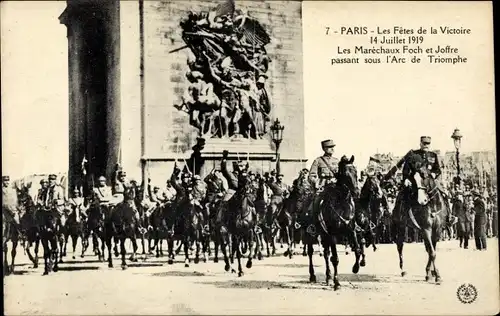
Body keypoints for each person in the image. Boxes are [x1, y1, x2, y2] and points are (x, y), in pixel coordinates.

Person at [383, 136, 442, 219]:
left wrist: (434, 174)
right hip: (415, 183)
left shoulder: (433, 155)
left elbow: (438, 170)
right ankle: (398, 217)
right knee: (402, 196)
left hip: (429, 183)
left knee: (443, 194)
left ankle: (449, 217)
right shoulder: (413, 154)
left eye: (428, 143)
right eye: (424, 143)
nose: (426, 145)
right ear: (420, 143)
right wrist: (406, 179)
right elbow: (406, 169)